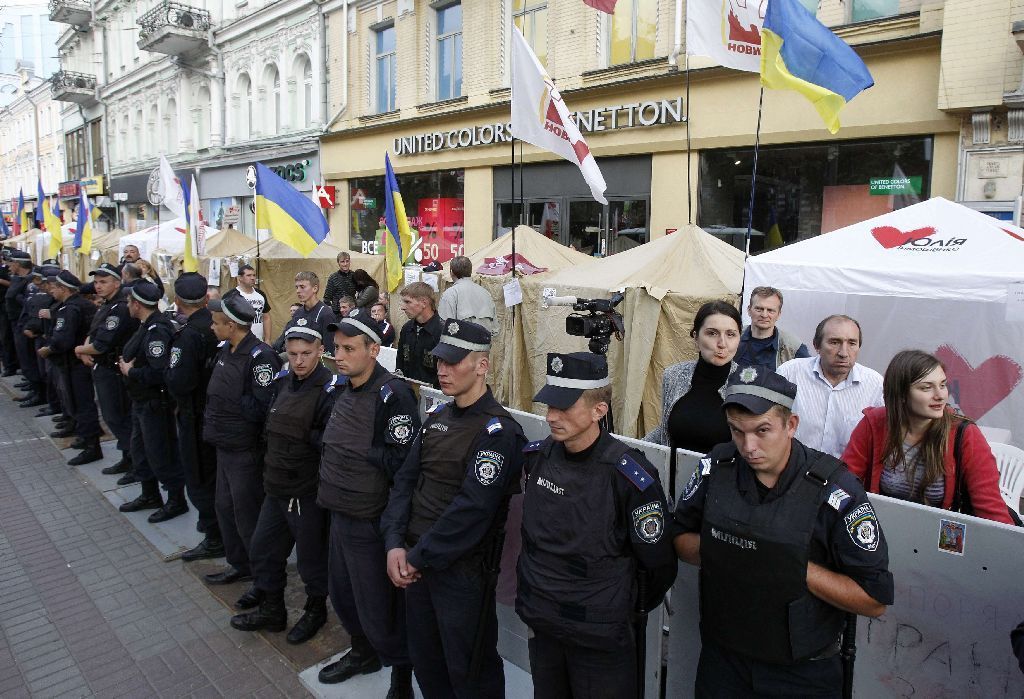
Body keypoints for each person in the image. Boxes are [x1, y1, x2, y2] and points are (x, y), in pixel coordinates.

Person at [674, 368, 894, 696]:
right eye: (736, 431)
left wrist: (792, 568)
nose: (748, 446)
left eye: (763, 431)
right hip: (725, 661)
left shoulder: (834, 489)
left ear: (791, 425)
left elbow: (874, 599)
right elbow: (679, 538)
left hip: (801, 672)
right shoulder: (716, 468)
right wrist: (730, 550)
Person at [517, 352, 677, 698]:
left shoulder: (629, 476)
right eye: (549, 405)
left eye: (564, 407)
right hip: (544, 621)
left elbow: (658, 564)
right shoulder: (537, 458)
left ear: (598, 411)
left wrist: (612, 605)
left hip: (599, 636)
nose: (551, 416)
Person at [381, 320, 525, 698]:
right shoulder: (437, 420)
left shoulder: (499, 432)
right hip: (416, 562)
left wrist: (416, 557)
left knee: (470, 669)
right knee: (427, 662)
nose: (442, 370)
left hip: (460, 573)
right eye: (440, 361)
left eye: (454, 362)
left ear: (482, 366)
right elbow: (404, 483)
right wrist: (395, 543)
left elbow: (471, 510)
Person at [316, 308, 418, 695]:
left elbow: (403, 465)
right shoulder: (342, 388)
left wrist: (365, 453)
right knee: (342, 596)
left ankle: (401, 673)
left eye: (347, 348)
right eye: (336, 347)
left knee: (380, 609)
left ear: (373, 350)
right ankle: (363, 652)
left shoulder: (393, 396)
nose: (337, 355)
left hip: (370, 521)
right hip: (339, 513)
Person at [230, 326, 338, 644]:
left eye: (306, 354)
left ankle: (315, 611)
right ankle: (273, 611)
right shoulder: (282, 381)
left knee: (311, 562)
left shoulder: (330, 390)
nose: (299, 361)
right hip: (276, 486)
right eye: (292, 355)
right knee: (263, 550)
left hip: (305, 491)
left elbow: (327, 444)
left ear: (320, 351)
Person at [841, 349, 1014, 524]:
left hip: (941, 538)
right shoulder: (874, 423)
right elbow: (843, 485)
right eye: (926, 387)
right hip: (884, 528)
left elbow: (991, 510)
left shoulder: (965, 434)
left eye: (943, 385)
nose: (940, 396)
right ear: (901, 394)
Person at [203, 294, 282, 589]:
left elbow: (263, 406)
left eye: (216, 323)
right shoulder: (226, 349)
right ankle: (239, 564)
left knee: (247, 514)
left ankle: (262, 577)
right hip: (223, 445)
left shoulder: (261, 357)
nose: (212, 327)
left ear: (232, 325)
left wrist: (232, 409)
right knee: (225, 508)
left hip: (245, 450)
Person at [164, 273, 224, 560]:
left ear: (177, 301)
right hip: (214, 414)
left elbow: (179, 381)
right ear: (206, 298)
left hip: (195, 415)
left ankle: (214, 536)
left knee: (199, 476)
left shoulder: (188, 335)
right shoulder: (215, 328)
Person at [117, 281, 188, 522]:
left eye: (129, 302)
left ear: (137, 304)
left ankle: (176, 500)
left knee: (162, 453)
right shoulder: (146, 326)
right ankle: (150, 494)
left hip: (155, 403)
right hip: (142, 401)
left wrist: (131, 372)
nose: (128, 305)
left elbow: (160, 372)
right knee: (141, 450)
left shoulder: (157, 329)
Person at [777, 314, 884, 458]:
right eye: (834, 342)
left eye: (852, 343)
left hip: (846, 474)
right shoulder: (790, 373)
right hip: (793, 469)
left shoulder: (875, 384)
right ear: (816, 345)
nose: (843, 353)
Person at [644, 300, 741, 454]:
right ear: (696, 337)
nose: (722, 343)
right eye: (712, 333)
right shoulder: (673, 376)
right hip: (673, 475)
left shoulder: (747, 384)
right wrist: (629, 450)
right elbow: (665, 430)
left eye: (730, 334)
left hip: (721, 476)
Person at [74, 263, 138, 476]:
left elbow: (103, 343)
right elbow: (96, 332)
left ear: (117, 283)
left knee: (117, 416)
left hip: (113, 369)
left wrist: (80, 349)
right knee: (113, 416)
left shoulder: (119, 307)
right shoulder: (108, 304)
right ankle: (128, 456)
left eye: (104, 282)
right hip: (104, 366)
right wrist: (86, 345)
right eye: (96, 282)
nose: (98, 286)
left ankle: (134, 461)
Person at [39, 271, 102, 465]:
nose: (51, 290)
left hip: (74, 363)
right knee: (81, 403)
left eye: (54, 287)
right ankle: (85, 436)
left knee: (82, 403)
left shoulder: (70, 308)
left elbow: (63, 339)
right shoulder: (82, 304)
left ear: (64, 289)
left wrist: (49, 349)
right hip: (77, 362)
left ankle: (92, 445)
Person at [734, 286, 809, 369]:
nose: (764, 315)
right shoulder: (733, 336)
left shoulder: (793, 347)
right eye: (759, 309)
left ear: (778, 314)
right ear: (749, 310)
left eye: (770, 310)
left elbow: (808, 374)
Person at [274, 271, 337, 356]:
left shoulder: (325, 314)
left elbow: (330, 350)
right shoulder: (298, 313)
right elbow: (283, 338)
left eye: (302, 287)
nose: (298, 291)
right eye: (296, 287)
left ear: (315, 288)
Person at [395, 281, 442, 388]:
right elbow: (400, 362)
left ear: (424, 303)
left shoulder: (441, 332)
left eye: (408, 302)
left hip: (432, 396)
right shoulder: (407, 329)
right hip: (407, 392)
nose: (403, 307)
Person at [438, 256, 495, 332]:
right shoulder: (486, 293)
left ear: (451, 272)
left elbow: (445, 327)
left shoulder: (449, 294)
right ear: (470, 272)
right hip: (484, 343)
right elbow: (495, 328)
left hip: (458, 343)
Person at [223, 264, 272, 343]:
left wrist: (267, 339)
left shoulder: (261, 294)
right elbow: (224, 320)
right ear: (240, 278)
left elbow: (266, 317)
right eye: (248, 275)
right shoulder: (231, 296)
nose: (252, 278)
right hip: (238, 342)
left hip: (258, 341)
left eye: (254, 275)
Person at [323, 251, 356, 315]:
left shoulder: (354, 276)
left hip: (352, 312)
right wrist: (331, 312)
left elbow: (361, 293)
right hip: (337, 312)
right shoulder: (333, 277)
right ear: (338, 263)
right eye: (342, 262)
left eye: (347, 261)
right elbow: (326, 298)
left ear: (350, 262)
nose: (345, 264)